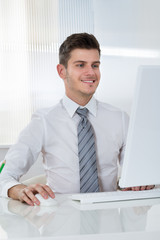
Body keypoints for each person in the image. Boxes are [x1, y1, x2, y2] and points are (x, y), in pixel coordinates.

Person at [0, 33, 154, 206]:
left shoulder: (120, 118)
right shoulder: (43, 121)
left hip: (110, 222)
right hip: (62, 223)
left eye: (95, 65)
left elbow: (134, 176)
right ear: (61, 71)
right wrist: (17, 189)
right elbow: (4, 175)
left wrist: (141, 181)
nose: (90, 72)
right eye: (80, 65)